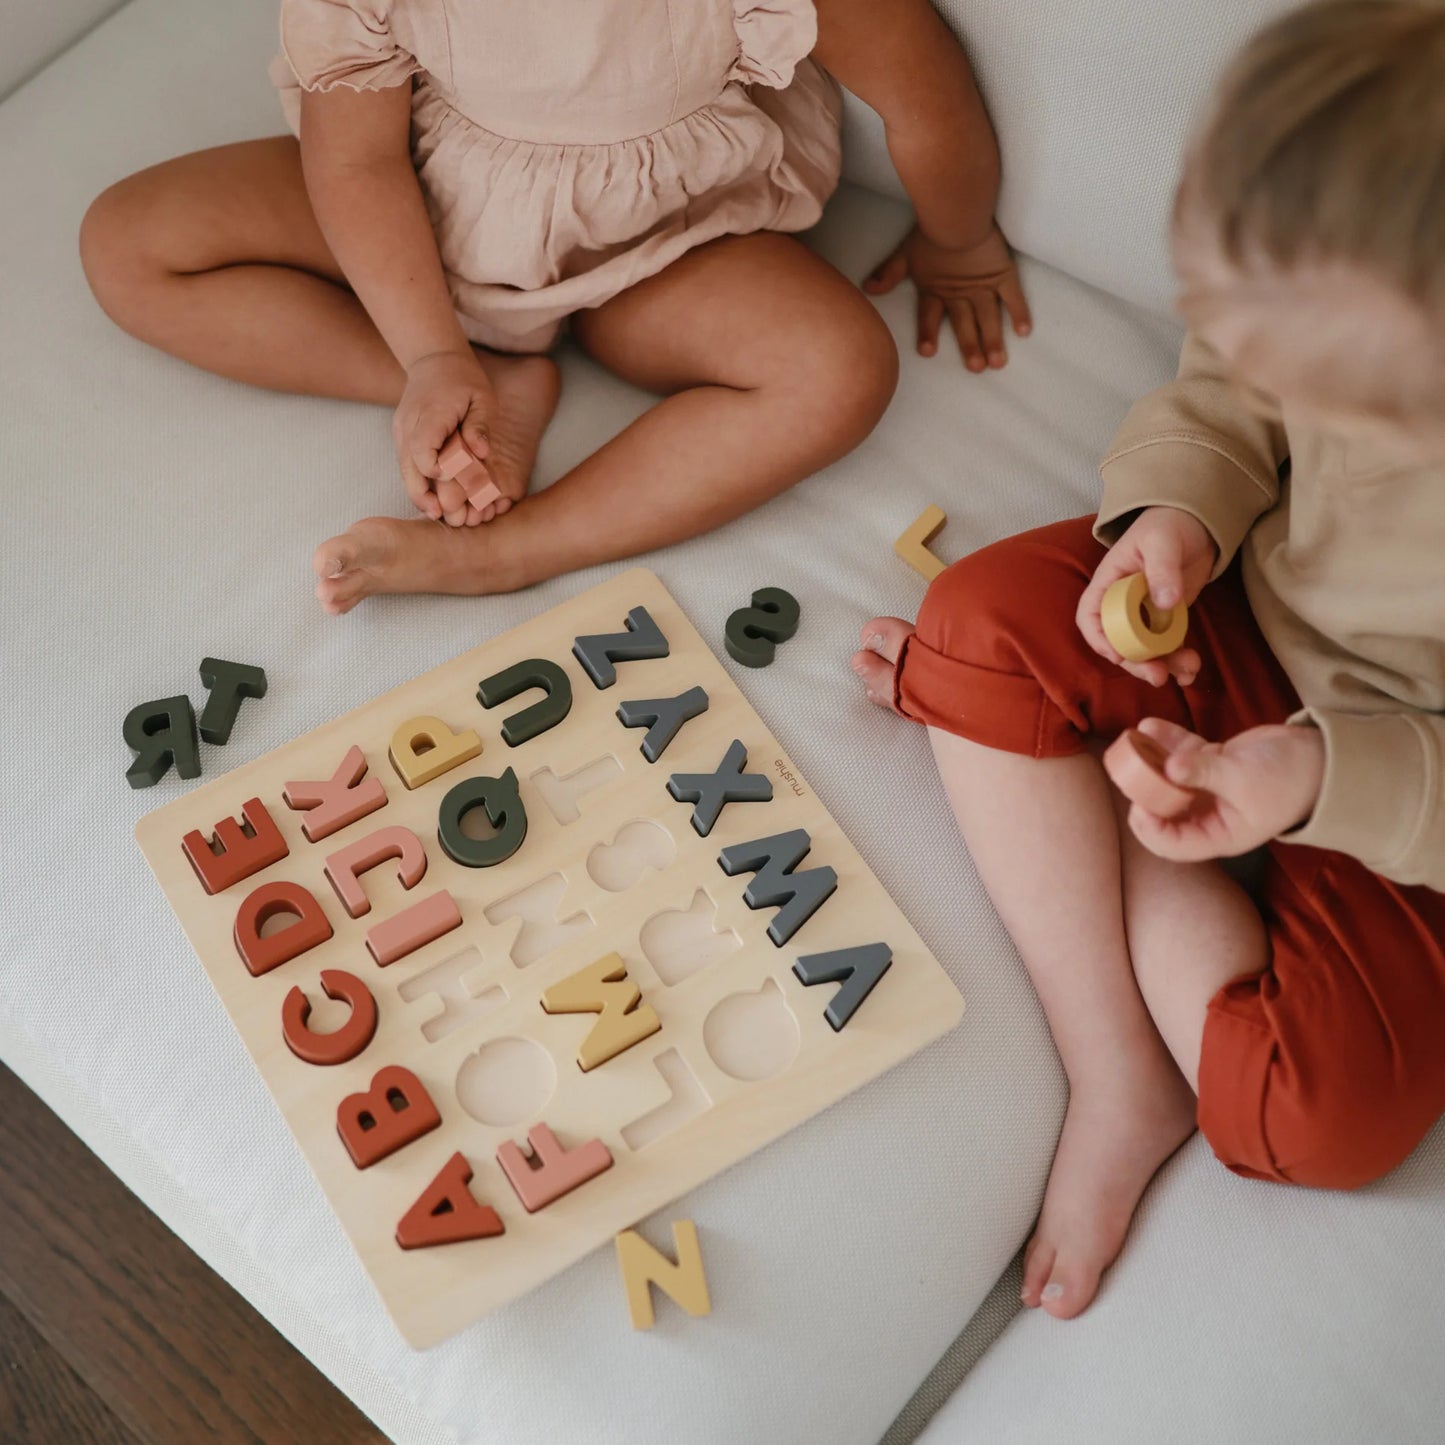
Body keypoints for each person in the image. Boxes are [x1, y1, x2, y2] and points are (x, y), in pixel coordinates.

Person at [853, 0, 1445, 1318]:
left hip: (1414, 804)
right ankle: (1116, 1065)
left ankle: (1112, 808)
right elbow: (1232, 388)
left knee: (1317, 1118)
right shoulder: (1377, 141)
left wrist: (1308, 780)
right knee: (980, 623)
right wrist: (1178, 516)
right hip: (1250, 620)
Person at [80, 0, 1029, 611]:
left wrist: (960, 238)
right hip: (420, 213)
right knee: (128, 244)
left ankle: (511, 551)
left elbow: (924, 94)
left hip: (660, 246)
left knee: (839, 370)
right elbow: (356, 160)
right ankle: (484, 382)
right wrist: (427, 356)